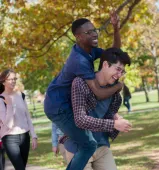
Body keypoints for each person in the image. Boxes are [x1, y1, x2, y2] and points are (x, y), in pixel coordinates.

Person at [44, 12, 126, 170]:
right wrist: (118, 86)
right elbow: (98, 93)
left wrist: (116, 28)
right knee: (88, 144)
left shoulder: (89, 50)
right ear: (78, 36)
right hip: (57, 105)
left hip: (63, 100)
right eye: (88, 32)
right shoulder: (79, 60)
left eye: (95, 30)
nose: (94, 34)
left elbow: (114, 54)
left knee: (86, 141)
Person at [59, 47, 132, 170]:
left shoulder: (115, 93)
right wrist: (113, 123)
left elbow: (107, 115)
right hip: (77, 145)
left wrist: (114, 117)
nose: (119, 75)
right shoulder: (81, 83)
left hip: (101, 146)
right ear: (105, 65)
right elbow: (80, 119)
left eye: (122, 71)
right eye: (118, 69)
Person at [0, 69, 38, 170]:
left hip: (25, 137)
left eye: (14, 79)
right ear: (3, 81)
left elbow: (27, 116)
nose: (13, 81)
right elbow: (8, 124)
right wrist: (10, 105)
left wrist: (34, 135)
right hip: (10, 139)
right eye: (10, 79)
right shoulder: (1, 99)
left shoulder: (21, 95)